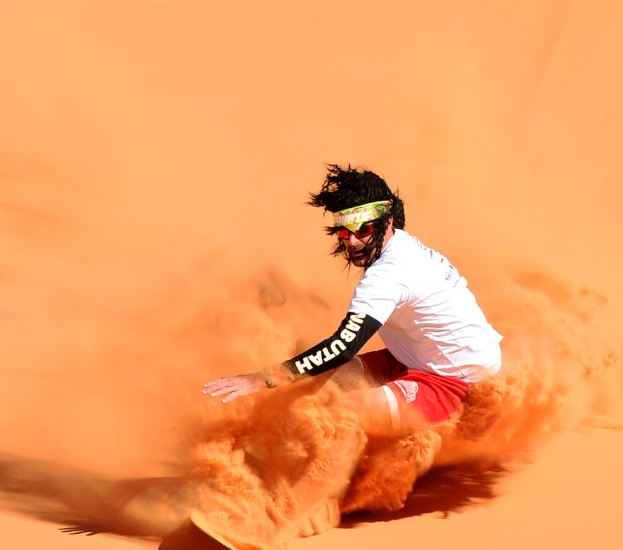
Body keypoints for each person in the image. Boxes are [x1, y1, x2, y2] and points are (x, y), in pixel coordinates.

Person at [203, 164, 503, 436]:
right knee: (318, 383)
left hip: (455, 383)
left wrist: (259, 380)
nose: (353, 242)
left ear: (387, 221)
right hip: (414, 358)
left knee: (339, 414)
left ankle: (306, 491)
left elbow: (342, 347)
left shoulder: (389, 273)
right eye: (344, 232)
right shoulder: (401, 245)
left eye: (364, 229)